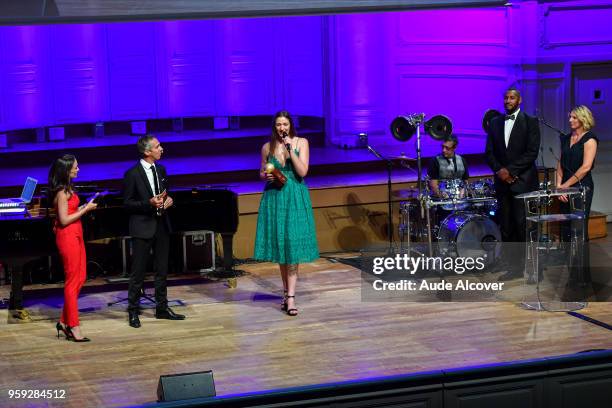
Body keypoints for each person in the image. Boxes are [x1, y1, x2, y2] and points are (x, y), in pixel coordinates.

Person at [253, 110, 319, 316]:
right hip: (275, 197)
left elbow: (303, 172)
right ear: (274, 127)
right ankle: (286, 293)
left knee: (293, 247)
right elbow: (262, 171)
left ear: (291, 125)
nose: (282, 128)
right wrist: (266, 175)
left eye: (285, 124)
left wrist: (291, 152)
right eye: (279, 125)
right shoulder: (267, 147)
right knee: (282, 247)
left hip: (295, 196)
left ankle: (291, 297)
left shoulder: (301, 142)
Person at [123, 135, 185, 328]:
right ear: (147, 151)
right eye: (158, 147)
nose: (162, 149)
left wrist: (169, 201)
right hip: (142, 227)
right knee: (138, 273)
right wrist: (148, 203)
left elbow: (166, 193)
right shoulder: (132, 174)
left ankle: (162, 308)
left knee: (162, 270)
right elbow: (127, 204)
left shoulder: (161, 169)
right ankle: (133, 311)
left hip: (161, 225)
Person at [485, 87, 541, 280]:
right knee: (507, 226)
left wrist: (511, 171)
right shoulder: (494, 123)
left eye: (512, 98)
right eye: (506, 98)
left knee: (523, 226)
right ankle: (514, 268)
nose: (508, 101)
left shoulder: (530, 122)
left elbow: (532, 152)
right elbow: (489, 153)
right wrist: (501, 172)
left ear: (519, 100)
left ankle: (532, 267)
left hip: (523, 182)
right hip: (502, 183)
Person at [49, 154, 97, 342]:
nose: (78, 169)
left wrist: (81, 207)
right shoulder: (62, 192)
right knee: (71, 280)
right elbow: (63, 220)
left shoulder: (69, 189)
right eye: (75, 167)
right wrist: (85, 210)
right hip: (67, 236)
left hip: (76, 234)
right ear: (66, 170)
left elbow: (70, 212)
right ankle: (73, 326)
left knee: (81, 276)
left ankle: (63, 321)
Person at [556, 105, 598, 284]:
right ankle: (571, 274)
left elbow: (585, 168)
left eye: (573, 117)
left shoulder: (590, 139)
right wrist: (558, 187)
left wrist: (565, 186)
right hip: (565, 189)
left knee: (579, 231)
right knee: (565, 231)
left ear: (583, 119)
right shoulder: (566, 139)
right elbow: (560, 165)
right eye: (570, 117)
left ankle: (583, 276)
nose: (570, 120)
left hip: (582, 189)